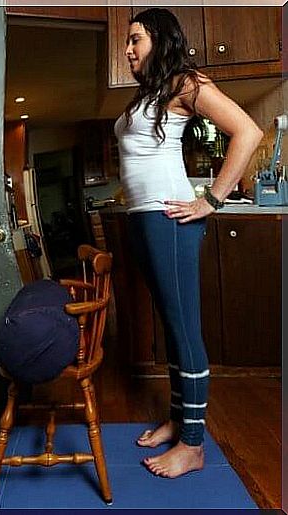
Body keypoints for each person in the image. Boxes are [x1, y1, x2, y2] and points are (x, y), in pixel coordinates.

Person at [115, 8, 262, 478]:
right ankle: (180, 421)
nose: (128, 48)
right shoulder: (154, 91)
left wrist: (211, 201)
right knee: (170, 327)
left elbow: (248, 131)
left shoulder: (185, 82)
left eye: (135, 39)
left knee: (183, 329)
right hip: (144, 220)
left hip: (170, 219)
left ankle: (193, 445)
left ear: (158, 39)